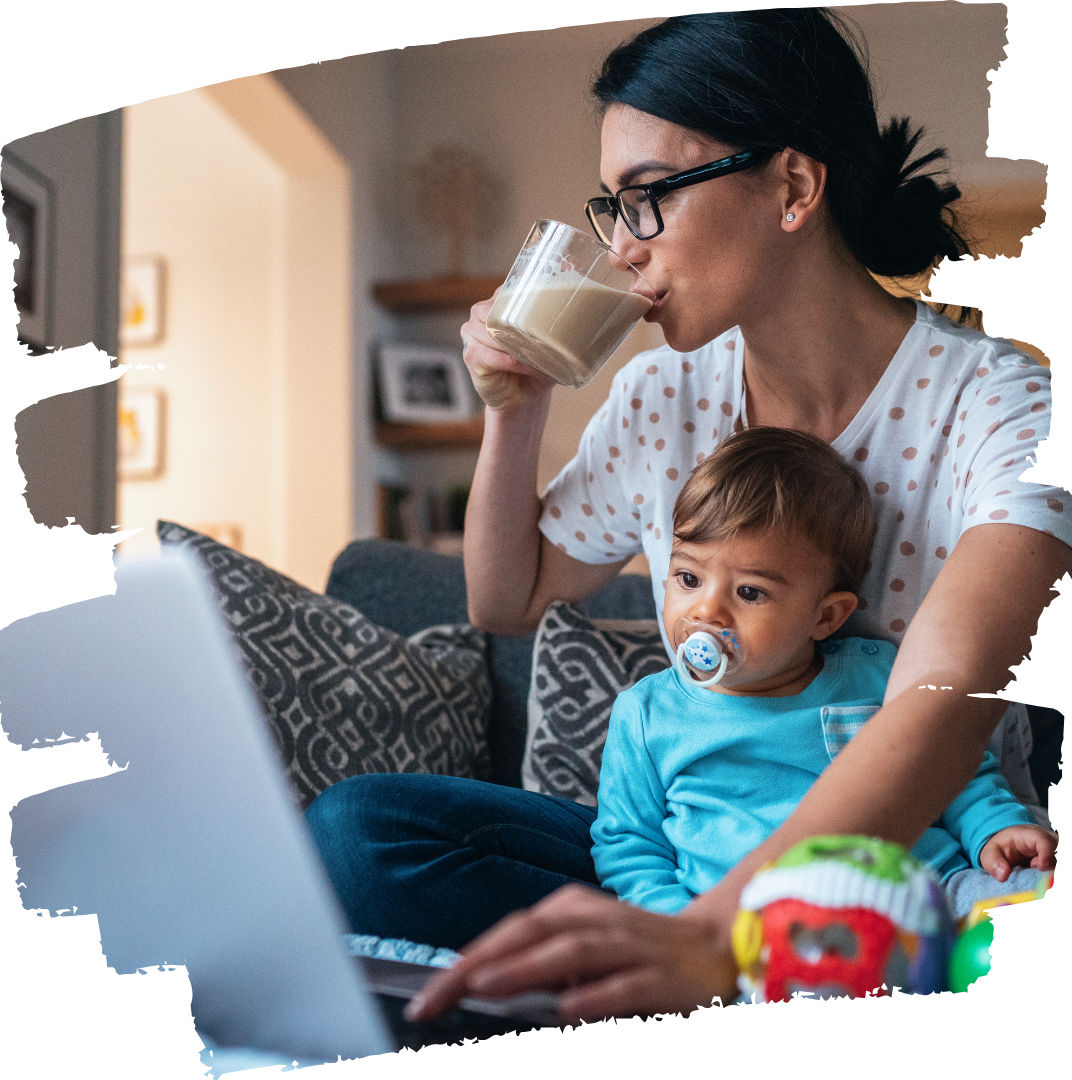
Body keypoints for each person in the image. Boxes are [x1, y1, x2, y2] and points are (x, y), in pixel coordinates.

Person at [306, 10, 1070, 1022]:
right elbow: (506, 600)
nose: (622, 250)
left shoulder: (1001, 401)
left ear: (793, 187)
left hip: (917, 862)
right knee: (364, 832)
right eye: (611, 209)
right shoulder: (662, 395)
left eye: (648, 200)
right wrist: (514, 414)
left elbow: (941, 697)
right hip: (694, 861)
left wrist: (714, 934)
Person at [591, 427, 1057, 924]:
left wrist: (996, 828)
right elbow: (629, 848)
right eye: (688, 579)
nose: (706, 610)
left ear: (827, 616)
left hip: (930, 895)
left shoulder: (877, 673)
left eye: (750, 593)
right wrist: (677, 929)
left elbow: (951, 769)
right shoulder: (646, 716)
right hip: (749, 932)